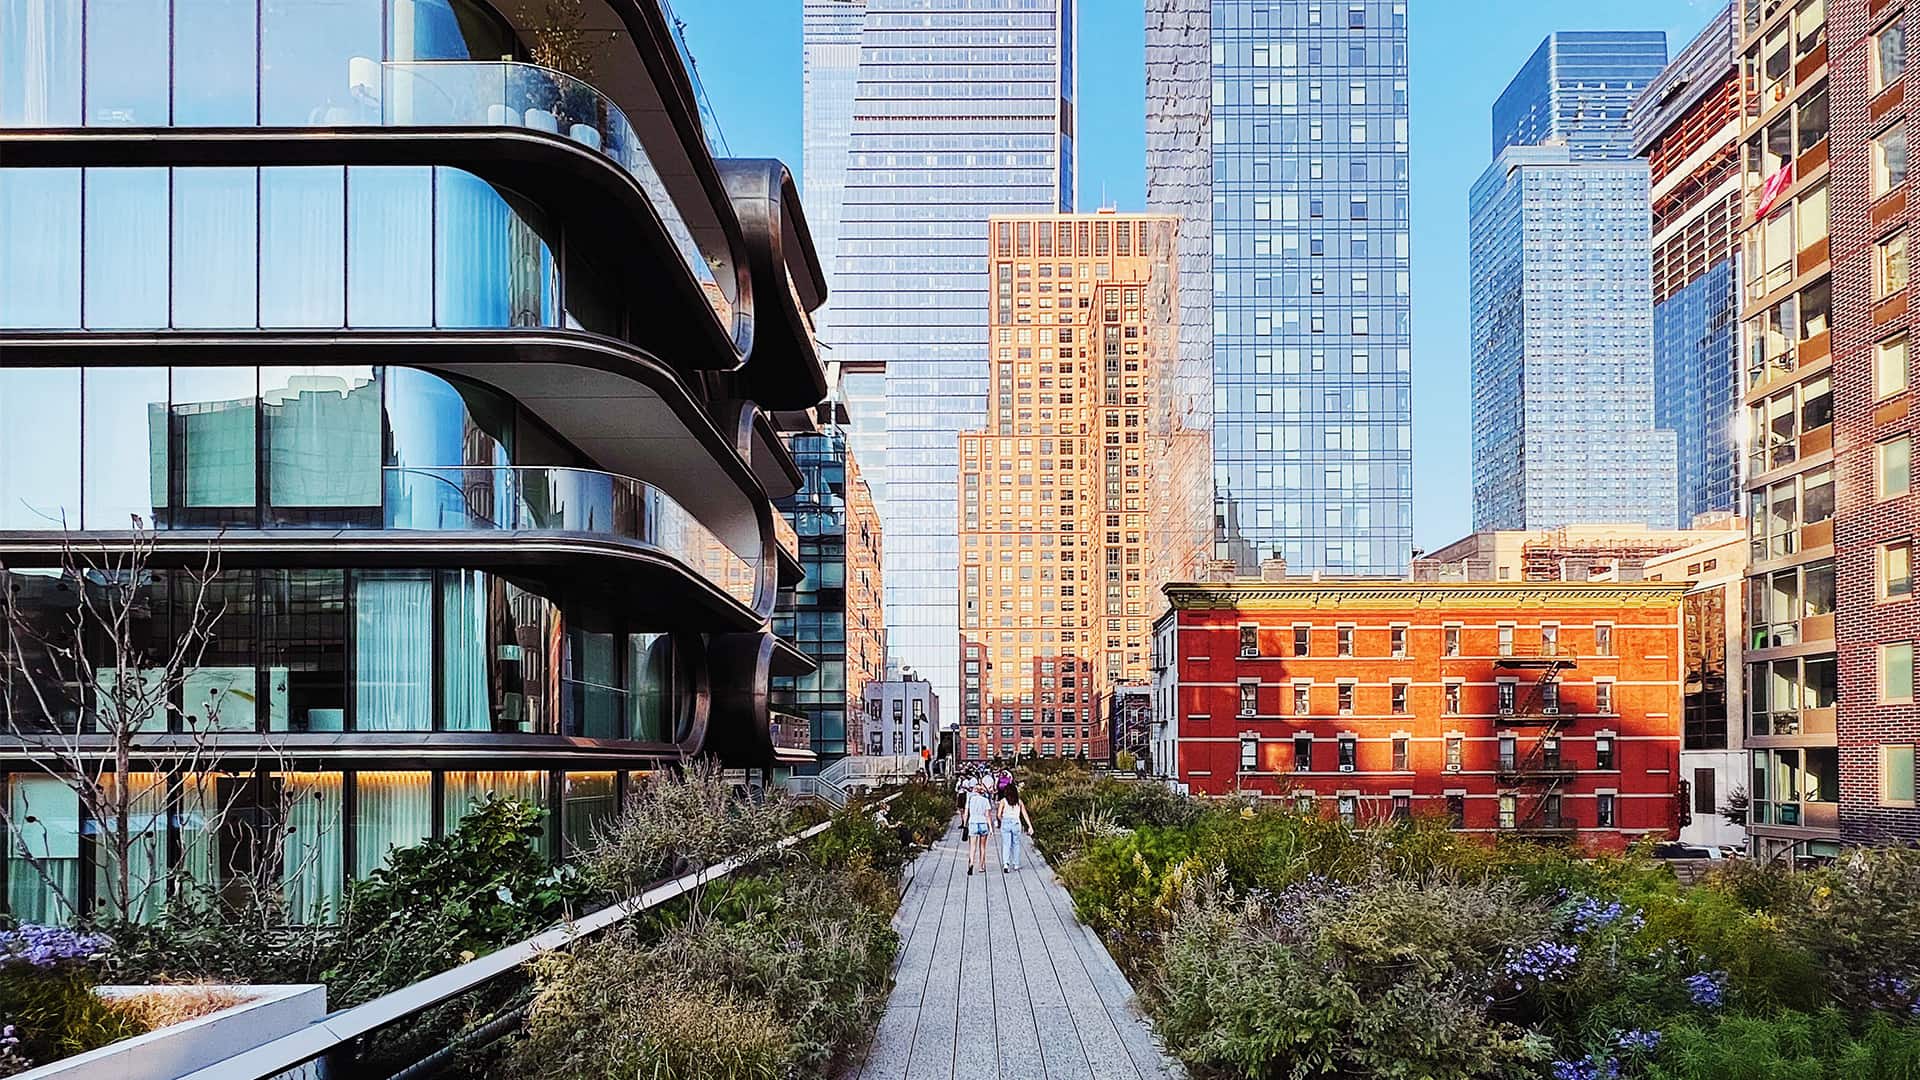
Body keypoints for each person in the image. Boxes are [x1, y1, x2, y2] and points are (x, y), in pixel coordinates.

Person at [998, 784, 1033, 872]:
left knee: (1006, 844)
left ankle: (1006, 864)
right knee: (1016, 844)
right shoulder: (1019, 801)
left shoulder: (1003, 801)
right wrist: (1030, 826)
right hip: (1016, 823)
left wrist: (1002, 820)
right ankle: (1016, 864)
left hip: (1006, 822)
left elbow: (998, 815)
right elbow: (1024, 814)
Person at [964, 781, 995, 875]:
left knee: (972, 847)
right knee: (982, 847)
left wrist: (965, 824)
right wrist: (990, 828)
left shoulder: (970, 799)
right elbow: (988, 815)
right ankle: (981, 866)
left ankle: (971, 863)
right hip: (983, 823)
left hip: (973, 822)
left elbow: (966, 813)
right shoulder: (985, 800)